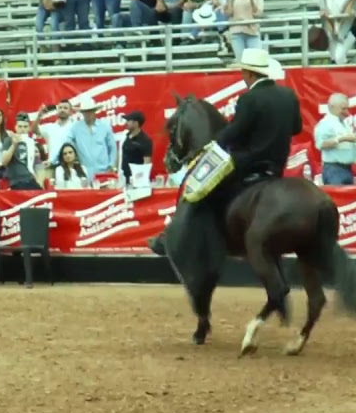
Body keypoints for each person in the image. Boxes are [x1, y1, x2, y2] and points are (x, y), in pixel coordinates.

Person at [149, 49, 302, 259]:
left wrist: (215, 141)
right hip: (277, 165)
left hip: (247, 163)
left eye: (243, 72)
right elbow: (296, 128)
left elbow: (236, 132)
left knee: (199, 186)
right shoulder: (288, 95)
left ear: (249, 74)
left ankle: (178, 237)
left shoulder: (249, 98)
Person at [121, 111, 154, 186]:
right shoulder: (126, 136)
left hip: (136, 179)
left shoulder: (145, 140)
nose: (126, 123)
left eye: (129, 121)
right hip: (124, 178)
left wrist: (141, 179)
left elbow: (147, 163)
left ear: (136, 123)